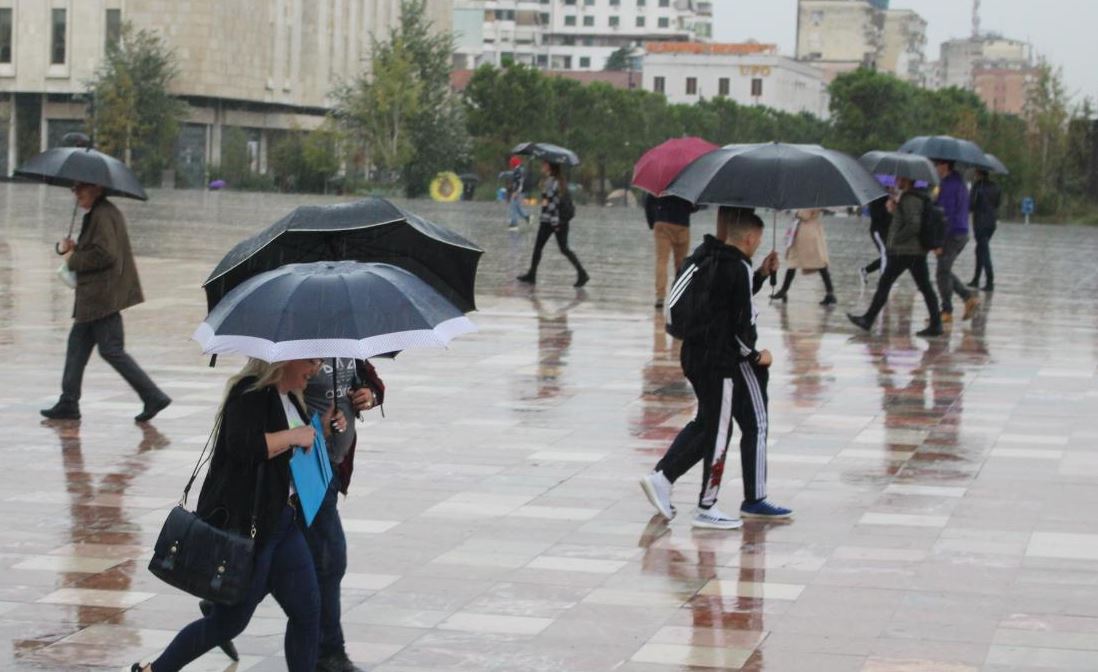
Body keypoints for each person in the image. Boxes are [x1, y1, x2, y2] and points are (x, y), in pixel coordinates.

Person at [134, 358, 345, 672]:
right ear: (285, 359)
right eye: (311, 360)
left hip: (285, 525)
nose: (315, 368)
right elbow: (242, 446)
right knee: (228, 624)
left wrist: (320, 430)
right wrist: (293, 437)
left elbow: (292, 453)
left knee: (307, 611)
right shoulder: (249, 393)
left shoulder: (291, 399)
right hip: (253, 530)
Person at [201, 358, 385, 672]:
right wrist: (300, 432)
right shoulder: (295, 350)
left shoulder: (345, 345)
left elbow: (367, 379)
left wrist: (369, 395)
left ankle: (227, 597)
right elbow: (253, 427)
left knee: (291, 583)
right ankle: (328, 652)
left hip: (328, 469)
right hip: (300, 475)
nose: (314, 368)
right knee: (328, 560)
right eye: (311, 364)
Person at [640, 209, 793, 530]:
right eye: (758, 240)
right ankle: (707, 505)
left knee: (707, 423)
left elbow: (721, 301)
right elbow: (740, 327)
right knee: (720, 431)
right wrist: (756, 357)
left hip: (693, 355)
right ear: (750, 238)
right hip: (720, 361)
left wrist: (761, 275)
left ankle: (662, 479)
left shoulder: (704, 256)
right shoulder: (736, 266)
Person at [41, 182, 172, 422]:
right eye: (75, 189)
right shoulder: (100, 213)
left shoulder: (103, 214)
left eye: (81, 188)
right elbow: (98, 248)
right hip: (95, 297)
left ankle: (153, 395)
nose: (76, 193)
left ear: (97, 189)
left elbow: (105, 254)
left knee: (111, 349)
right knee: (77, 347)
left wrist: (73, 258)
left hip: (101, 298)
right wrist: (75, 248)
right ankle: (68, 402)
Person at [847, 179, 943, 337]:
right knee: (925, 287)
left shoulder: (910, 199)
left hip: (905, 251)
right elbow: (907, 219)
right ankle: (936, 324)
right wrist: (894, 210)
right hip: (914, 251)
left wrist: (896, 238)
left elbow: (913, 224)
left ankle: (868, 319)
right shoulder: (912, 198)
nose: (897, 181)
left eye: (900, 178)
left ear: (908, 180)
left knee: (885, 283)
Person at [517, 160, 589, 288]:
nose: (542, 166)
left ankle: (582, 273)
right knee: (547, 248)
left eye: (544, 164)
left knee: (560, 248)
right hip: (553, 220)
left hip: (552, 221)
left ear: (550, 166)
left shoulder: (552, 182)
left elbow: (553, 205)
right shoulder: (556, 181)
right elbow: (551, 201)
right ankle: (532, 274)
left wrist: (555, 223)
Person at [933, 160, 980, 322]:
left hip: (951, 234)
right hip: (961, 231)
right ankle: (967, 299)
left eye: (936, 164)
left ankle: (947, 311)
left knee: (942, 272)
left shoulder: (948, 185)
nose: (935, 167)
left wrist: (938, 241)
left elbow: (945, 215)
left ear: (945, 165)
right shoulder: (958, 182)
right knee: (944, 271)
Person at [770, 209, 837, 306]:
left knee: (816, 263)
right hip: (805, 232)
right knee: (797, 263)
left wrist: (797, 213)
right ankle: (830, 293)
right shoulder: (815, 197)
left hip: (807, 233)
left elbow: (805, 215)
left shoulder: (813, 198)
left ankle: (830, 293)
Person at [646, 193, 695, 309]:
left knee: (662, 260)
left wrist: (652, 222)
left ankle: (660, 297)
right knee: (681, 264)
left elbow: (649, 202)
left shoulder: (661, 179)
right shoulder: (688, 180)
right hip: (682, 223)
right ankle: (679, 296)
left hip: (662, 222)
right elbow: (693, 205)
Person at [968, 169, 1001, 292]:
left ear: (979, 174)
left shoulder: (978, 187)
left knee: (984, 251)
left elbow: (971, 205)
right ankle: (976, 279)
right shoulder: (996, 187)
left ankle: (990, 281)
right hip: (991, 222)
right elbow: (997, 203)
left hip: (980, 223)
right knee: (980, 250)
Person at [859, 195, 892, 285]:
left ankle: (865, 270)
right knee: (886, 254)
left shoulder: (888, 197)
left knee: (889, 255)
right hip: (879, 230)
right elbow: (878, 214)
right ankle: (884, 279)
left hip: (887, 230)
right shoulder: (877, 198)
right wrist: (888, 207)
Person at [506, 156, 529, 230]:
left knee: (513, 207)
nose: (511, 165)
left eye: (511, 163)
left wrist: (516, 192)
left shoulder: (518, 171)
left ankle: (514, 224)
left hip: (518, 192)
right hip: (518, 191)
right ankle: (526, 217)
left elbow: (519, 183)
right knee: (517, 207)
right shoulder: (518, 170)